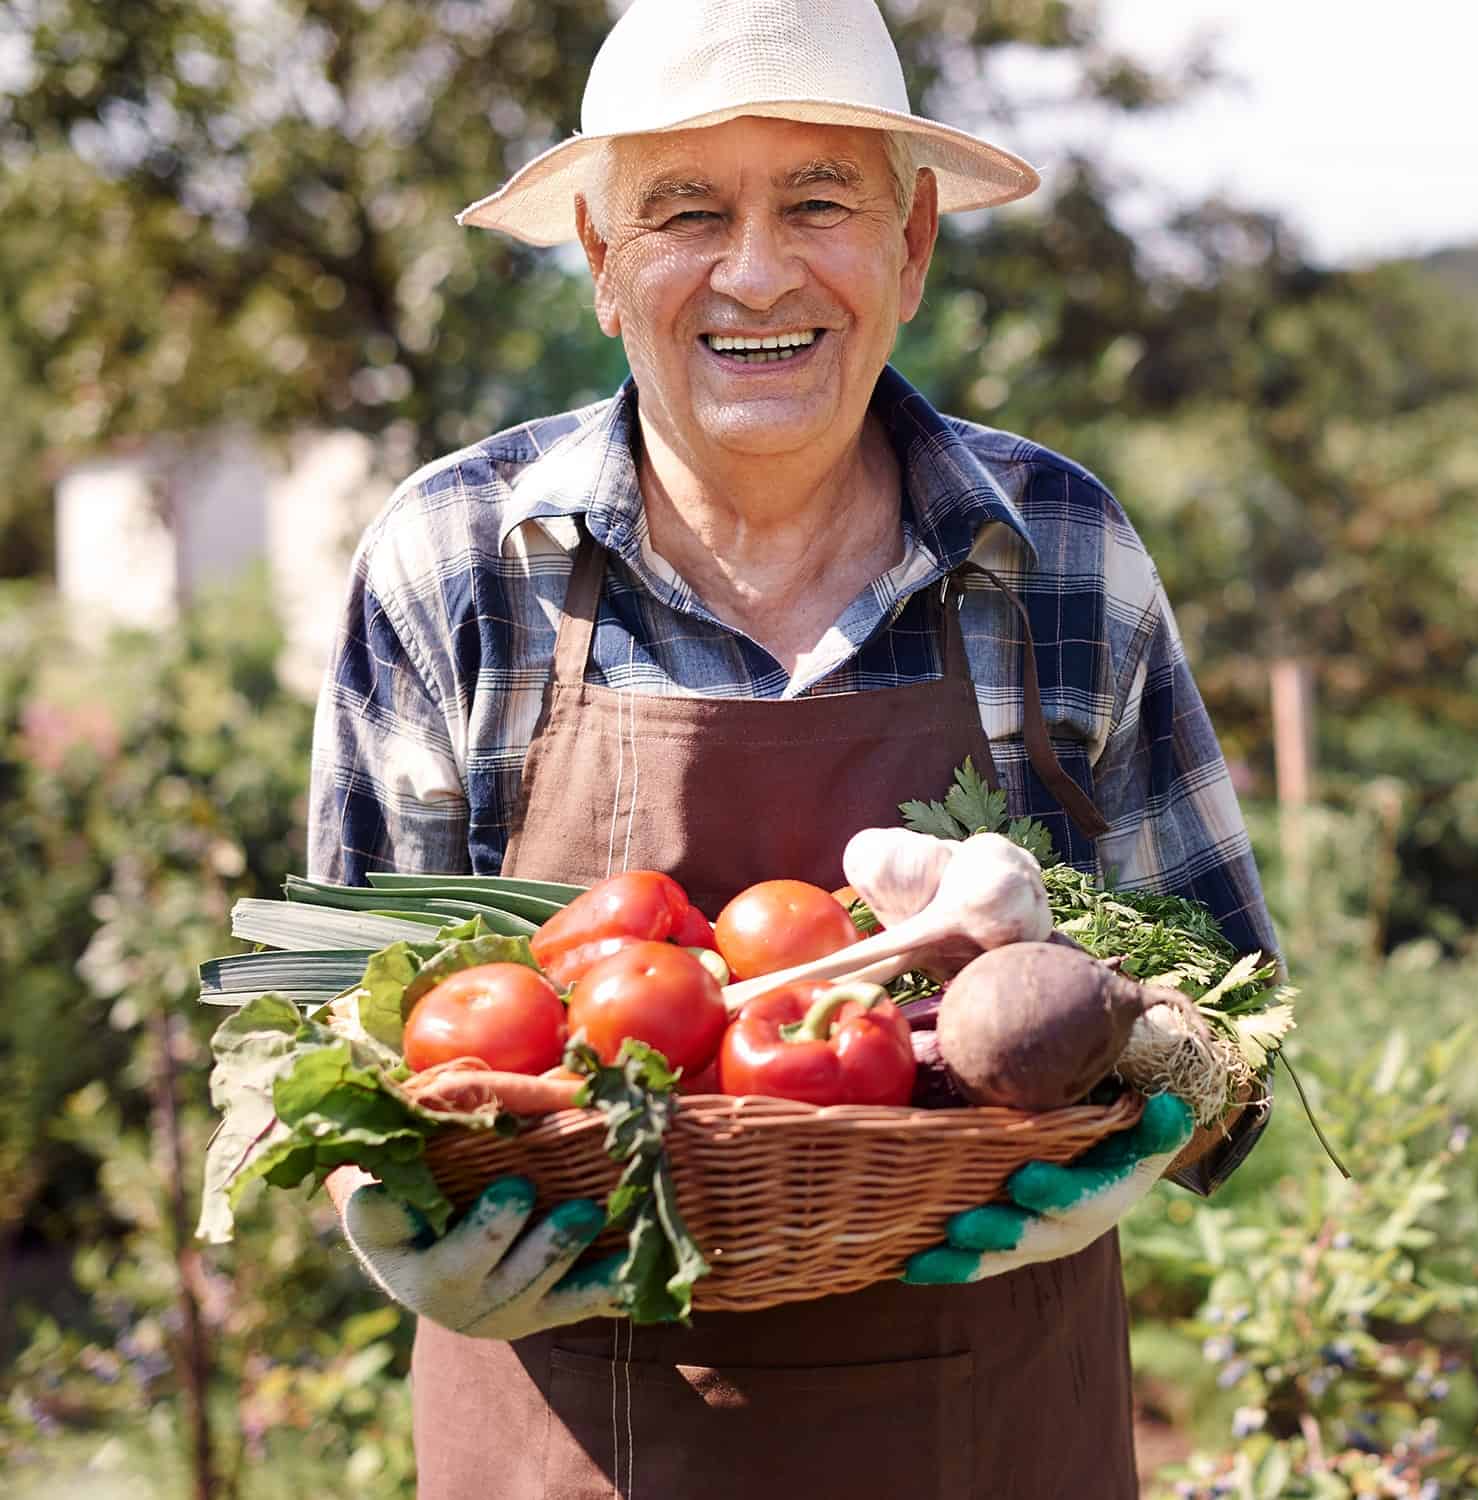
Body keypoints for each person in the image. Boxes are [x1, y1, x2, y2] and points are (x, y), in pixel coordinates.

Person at [306, 0, 1279, 1495]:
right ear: (601, 265)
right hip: (565, 1441)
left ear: (913, 246)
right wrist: (387, 1224)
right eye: (685, 212)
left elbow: (1233, 1012)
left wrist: (1150, 1129)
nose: (755, 272)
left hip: (998, 1436)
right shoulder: (457, 561)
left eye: (818, 201)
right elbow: (343, 1044)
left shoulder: (1063, 556)